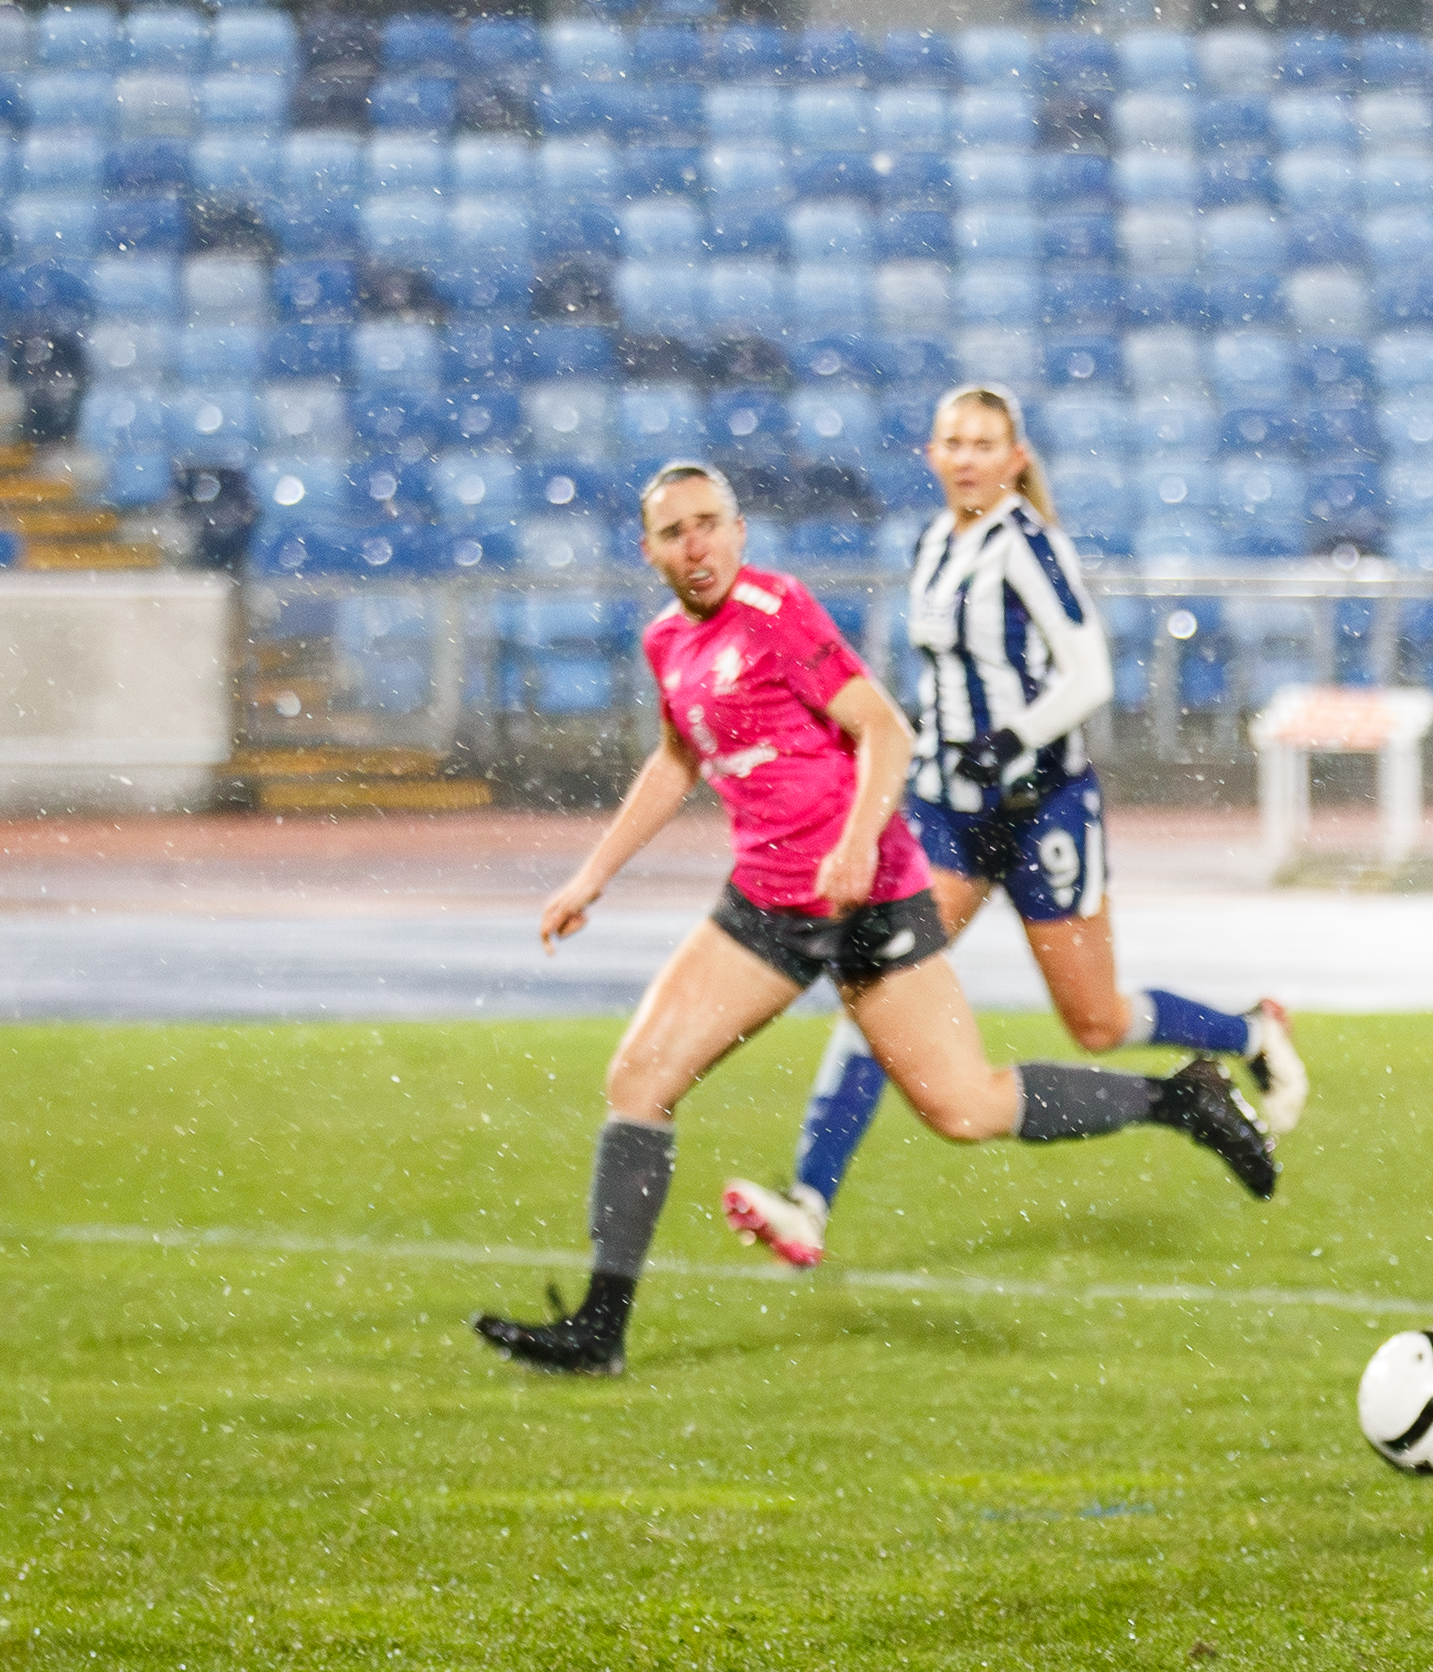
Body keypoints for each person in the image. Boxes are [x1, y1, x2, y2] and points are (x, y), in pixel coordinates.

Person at [474, 460, 1278, 1377]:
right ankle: (599, 1330)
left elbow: (886, 729)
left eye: (709, 524)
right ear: (648, 550)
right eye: (673, 532)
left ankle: (1178, 1098)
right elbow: (675, 760)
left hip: (869, 896)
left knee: (965, 1108)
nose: (695, 546)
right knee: (638, 1078)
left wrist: (857, 843)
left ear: (738, 532)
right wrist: (592, 875)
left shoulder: (778, 613)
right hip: (769, 903)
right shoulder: (667, 642)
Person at [717, 385, 1305, 1268]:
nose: (966, 458)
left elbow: (1090, 672)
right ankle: (808, 1201)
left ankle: (1249, 1032)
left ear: (1015, 457)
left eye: (983, 443)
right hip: (949, 816)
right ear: (931, 452)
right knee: (878, 992)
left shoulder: (1028, 543)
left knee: (1096, 1020)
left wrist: (1012, 739)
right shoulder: (931, 543)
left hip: (1040, 810)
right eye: (952, 442)